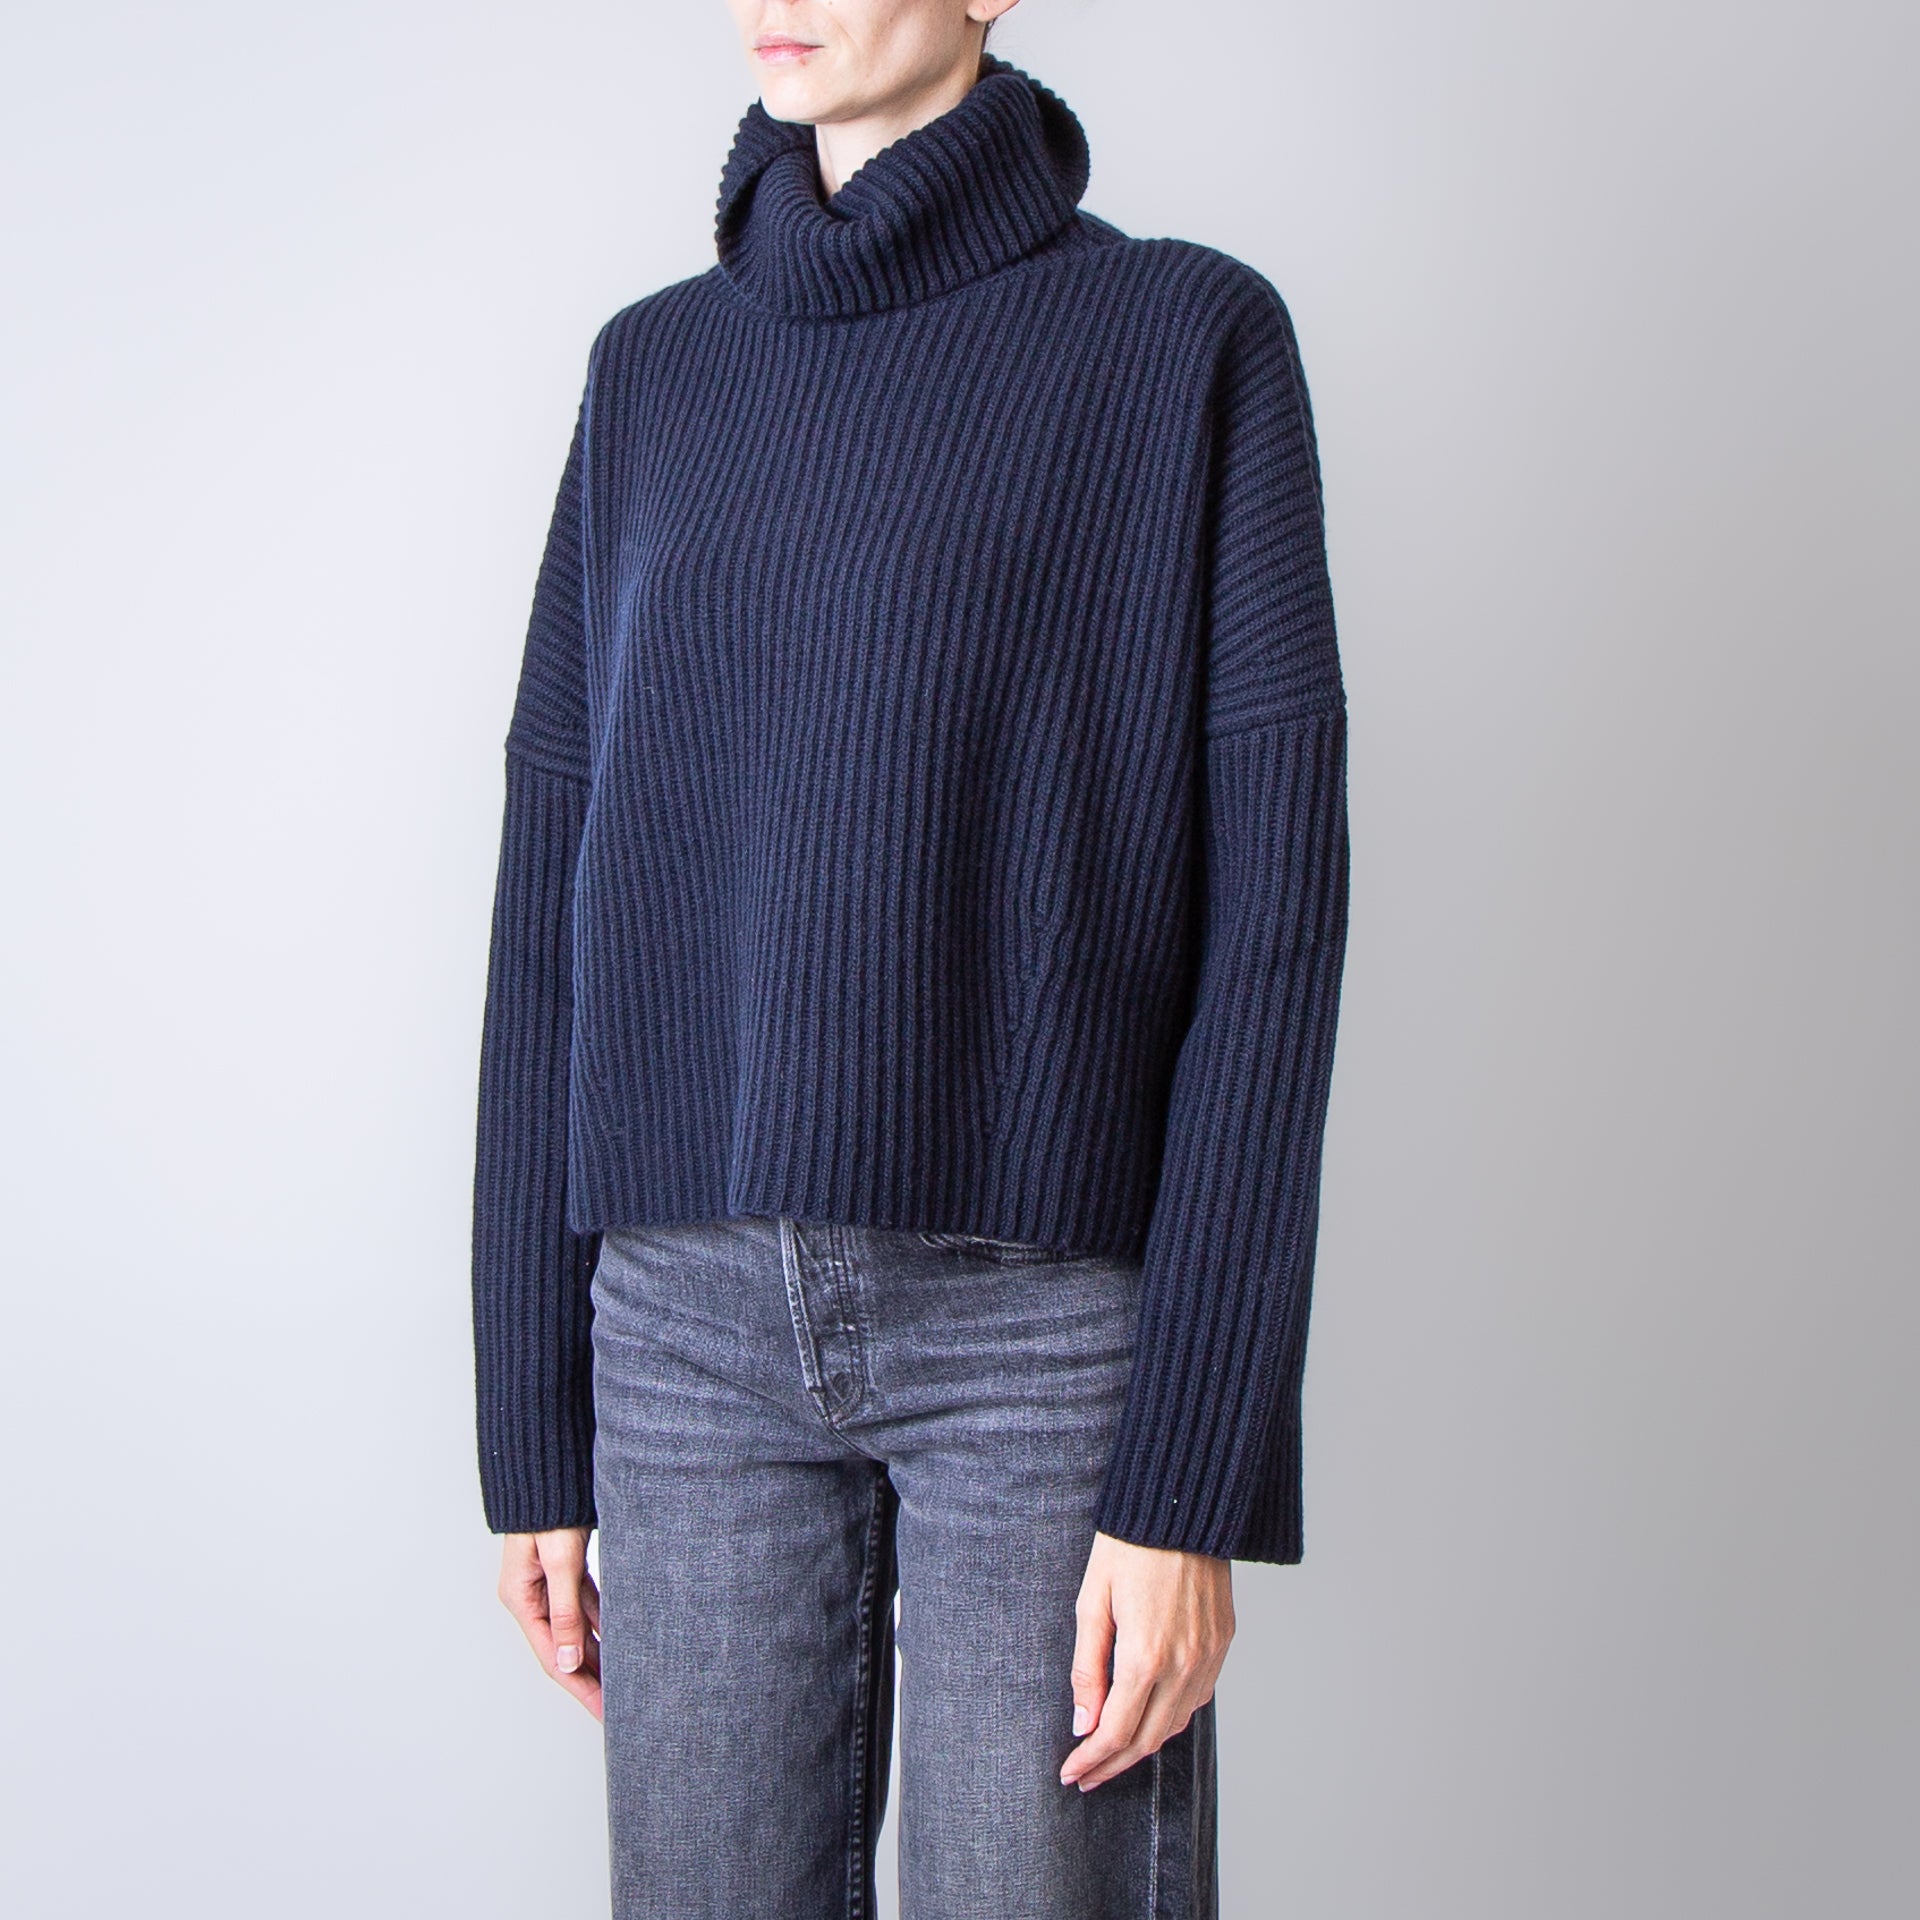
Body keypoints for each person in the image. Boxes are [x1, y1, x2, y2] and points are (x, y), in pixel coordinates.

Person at [469, 4, 1350, 1914]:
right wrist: (527, 1418)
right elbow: (552, 899)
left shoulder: (1185, 341)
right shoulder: (652, 374)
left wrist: (1193, 1475)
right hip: (684, 1332)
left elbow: (1274, 939)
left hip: (1043, 1345)